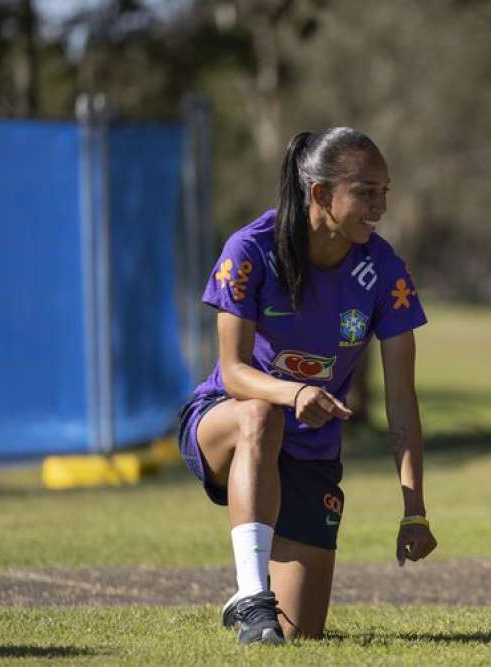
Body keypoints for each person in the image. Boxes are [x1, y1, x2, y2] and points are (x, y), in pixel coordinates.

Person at [177, 128, 438, 645]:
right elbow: (231, 371)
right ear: (320, 194)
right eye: (366, 192)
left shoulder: (385, 271)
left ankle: (259, 602)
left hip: (310, 454)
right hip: (226, 421)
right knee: (260, 415)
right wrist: (293, 394)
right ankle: (251, 594)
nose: (380, 206)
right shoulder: (249, 249)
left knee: (300, 635)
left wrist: (415, 509)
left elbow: (401, 399)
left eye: (385, 191)